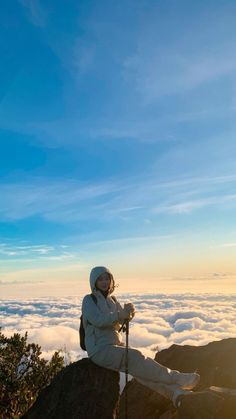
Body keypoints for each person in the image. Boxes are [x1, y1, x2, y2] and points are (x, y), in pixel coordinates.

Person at [82, 266, 200, 407]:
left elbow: (120, 320)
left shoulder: (112, 299)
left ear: (111, 279)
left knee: (140, 371)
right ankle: (177, 378)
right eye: (100, 279)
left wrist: (129, 313)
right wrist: (121, 314)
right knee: (136, 357)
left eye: (107, 278)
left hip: (114, 345)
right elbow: (98, 320)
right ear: (94, 282)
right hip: (99, 349)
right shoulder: (89, 300)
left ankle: (175, 394)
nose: (104, 282)